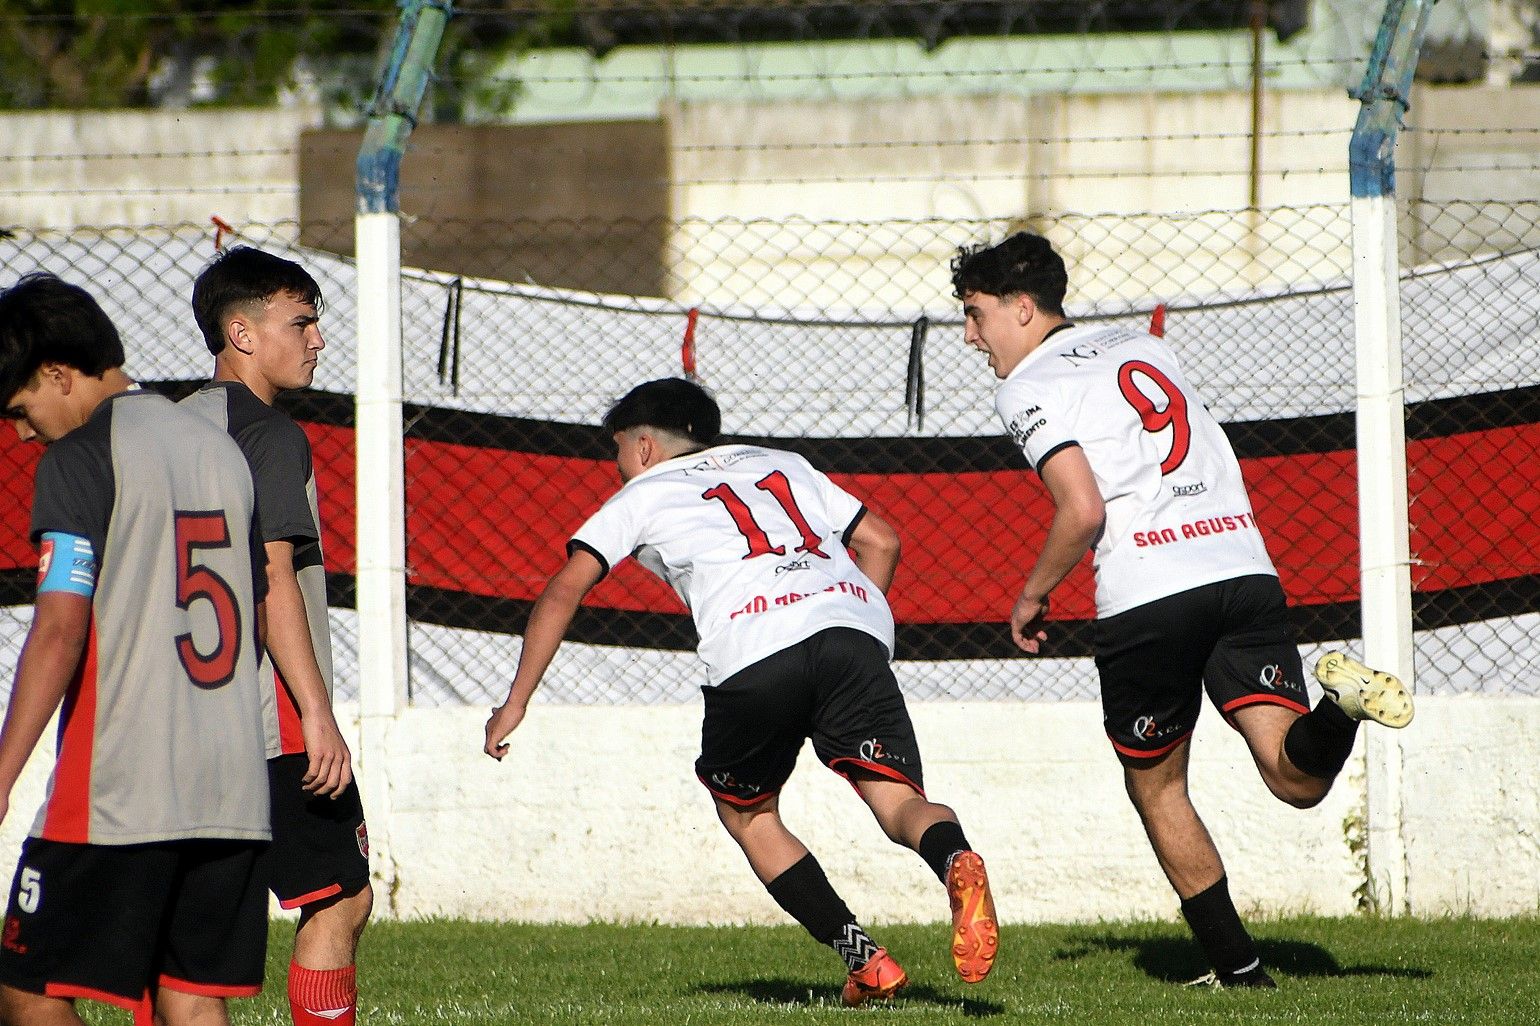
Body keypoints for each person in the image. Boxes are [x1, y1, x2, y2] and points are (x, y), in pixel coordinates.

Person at [951, 232, 1413, 989]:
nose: (971, 336)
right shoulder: (1144, 345)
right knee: (1296, 779)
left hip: (1149, 593)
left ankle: (1241, 971)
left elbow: (1083, 509)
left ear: (1022, 308)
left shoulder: (1026, 384)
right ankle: (1342, 708)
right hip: (1240, 568)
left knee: (1157, 786)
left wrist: (1033, 593)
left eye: (976, 314)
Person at [483, 377, 998, 1005]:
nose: (618, 467)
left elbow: (565, 588)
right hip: (850, 632)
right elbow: (881, 541)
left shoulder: (643, 492)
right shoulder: (783, 462)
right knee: (898, 799)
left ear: (642, 447)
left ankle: (866, 962)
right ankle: (955, 859)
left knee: (749, 814)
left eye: (618, 452)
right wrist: (844, 623)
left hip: (754, 649)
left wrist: (515, 702)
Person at [0, 274, 271, 1025]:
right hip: (230, 786)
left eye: (20, 410)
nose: (21, 434)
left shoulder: (82, 457)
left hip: (122, 790)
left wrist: (3, 772)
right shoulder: (219, 449)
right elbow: (254, 611)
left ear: (59, 373)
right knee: (191, 999)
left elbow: (59, 628)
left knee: (26, 990)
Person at [183, 246, 372, 1026]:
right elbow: (271, 579)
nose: (318, 339)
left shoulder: (164, 428)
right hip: (269, 720)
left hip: (179, 718)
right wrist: (317, 714)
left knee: (195, 943)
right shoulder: (268, 434)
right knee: (342, 897)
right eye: (300, 323)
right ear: (242, 332)